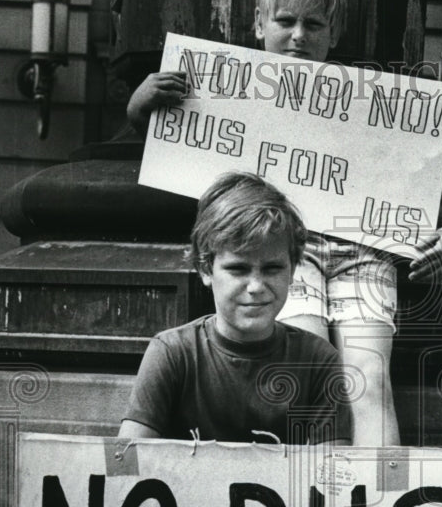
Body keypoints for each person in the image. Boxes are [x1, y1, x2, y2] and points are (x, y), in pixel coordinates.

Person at [126, 0, 442, 446]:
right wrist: (141, 105)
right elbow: (178, 146)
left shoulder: (363, 104)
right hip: (284, 255)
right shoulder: (230, 89)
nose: (298, 36)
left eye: (313, 24)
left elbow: (413, 181)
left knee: (369, 382)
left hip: (362, 253)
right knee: (300, 370)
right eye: (285, 21)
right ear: (260, 23)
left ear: (335, 31)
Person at [118, 171, 353, 445]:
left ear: (292, 271)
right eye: (238, 269)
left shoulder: (320, 360)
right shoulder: (172, 353)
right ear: (206, 269)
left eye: (272, 268)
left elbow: (336, 474)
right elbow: (123, 463)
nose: (255, 286)